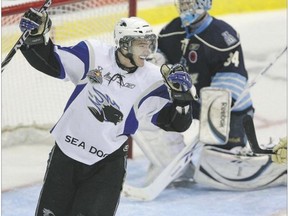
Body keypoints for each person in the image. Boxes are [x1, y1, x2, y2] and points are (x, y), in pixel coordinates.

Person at [19, 8, 195, 216]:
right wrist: (36, 38)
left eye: (149, 43)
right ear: (124, 44)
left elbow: (175, 123)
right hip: (65, 155)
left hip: (106, 166)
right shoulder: (93, 53)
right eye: (140, 44)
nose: (147, 51)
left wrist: (182, 98)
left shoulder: (153, 80)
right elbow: (51, 62)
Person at [134, 0, 286, 189]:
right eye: (182, 3)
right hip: (187, 101)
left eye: (189, 3)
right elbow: (158, 62)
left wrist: (213, 110)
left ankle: (279, 167)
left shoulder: (223, 36)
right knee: (148, 121)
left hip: (228, 110)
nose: (184, 7)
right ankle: (177, 171)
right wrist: (159, 63)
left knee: (216, 169)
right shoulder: (171, 31)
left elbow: (233, 78)